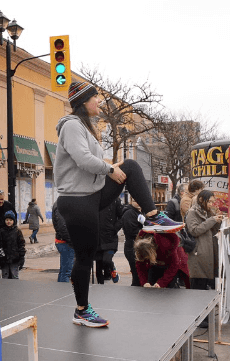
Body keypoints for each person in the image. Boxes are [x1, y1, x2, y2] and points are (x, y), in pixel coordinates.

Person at [54, 81, 184, 328]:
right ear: (83, 102)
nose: (99, 102)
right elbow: (83, 159)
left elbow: (91, 159)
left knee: (132, 167)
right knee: (84, 256)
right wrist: (109, 169)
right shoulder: (71, 125)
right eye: (96, 98)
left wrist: (111, 168)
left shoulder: (85, 126)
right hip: (77, 200)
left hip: (92, 194)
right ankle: (81, 310)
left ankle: (154, 216)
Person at [185, 190, 223, 327]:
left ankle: (203, 316)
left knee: (205, 289)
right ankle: (197, 319)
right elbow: (194, 230)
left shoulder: (208, 212)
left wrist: (218, 219)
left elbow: (212, 229)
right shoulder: (192, 212)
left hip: (208, 254)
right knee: (198, 288)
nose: (212, 203)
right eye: (210, 201)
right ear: (202, 200)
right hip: (198, 255)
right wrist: (212, 220)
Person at [94, 198, 123, 284]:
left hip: (110, 238)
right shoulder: (93, 198)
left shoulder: (115, 200)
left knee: (107, 260)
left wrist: (114, 228)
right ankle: (100, 287)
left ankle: (112, 269)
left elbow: (122, 217)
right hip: (97, 238)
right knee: (98, 265)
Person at [0, 210, 26, 279]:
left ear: (14, 221)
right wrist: (1, 257)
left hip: (14, 259)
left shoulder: (17, 231)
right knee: (5, 277)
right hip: (4, 259)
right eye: (7, 220)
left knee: (14, 276)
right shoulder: (1, 231)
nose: (8, 222)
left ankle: (15, 289)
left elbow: (21, 244)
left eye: (10, 220)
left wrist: (22, 257)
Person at [121, 199, 144, 286]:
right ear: (131, 201)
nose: (137, 202)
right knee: (136, 274)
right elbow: (130, 231)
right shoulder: (129, 213)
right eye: (135, 200)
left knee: (139, 274)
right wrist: (144, 230)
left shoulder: (140, 212)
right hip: (132, 246)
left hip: (137, 245)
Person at [52, 200, 74, 282]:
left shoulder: (63, 203)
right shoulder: (61, 204)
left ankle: (61, 290)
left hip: (64, 241)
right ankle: (64, 291)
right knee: (66, 272)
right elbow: (62, 227)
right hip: (65, 242)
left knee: (64, 270)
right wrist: (72, 241)